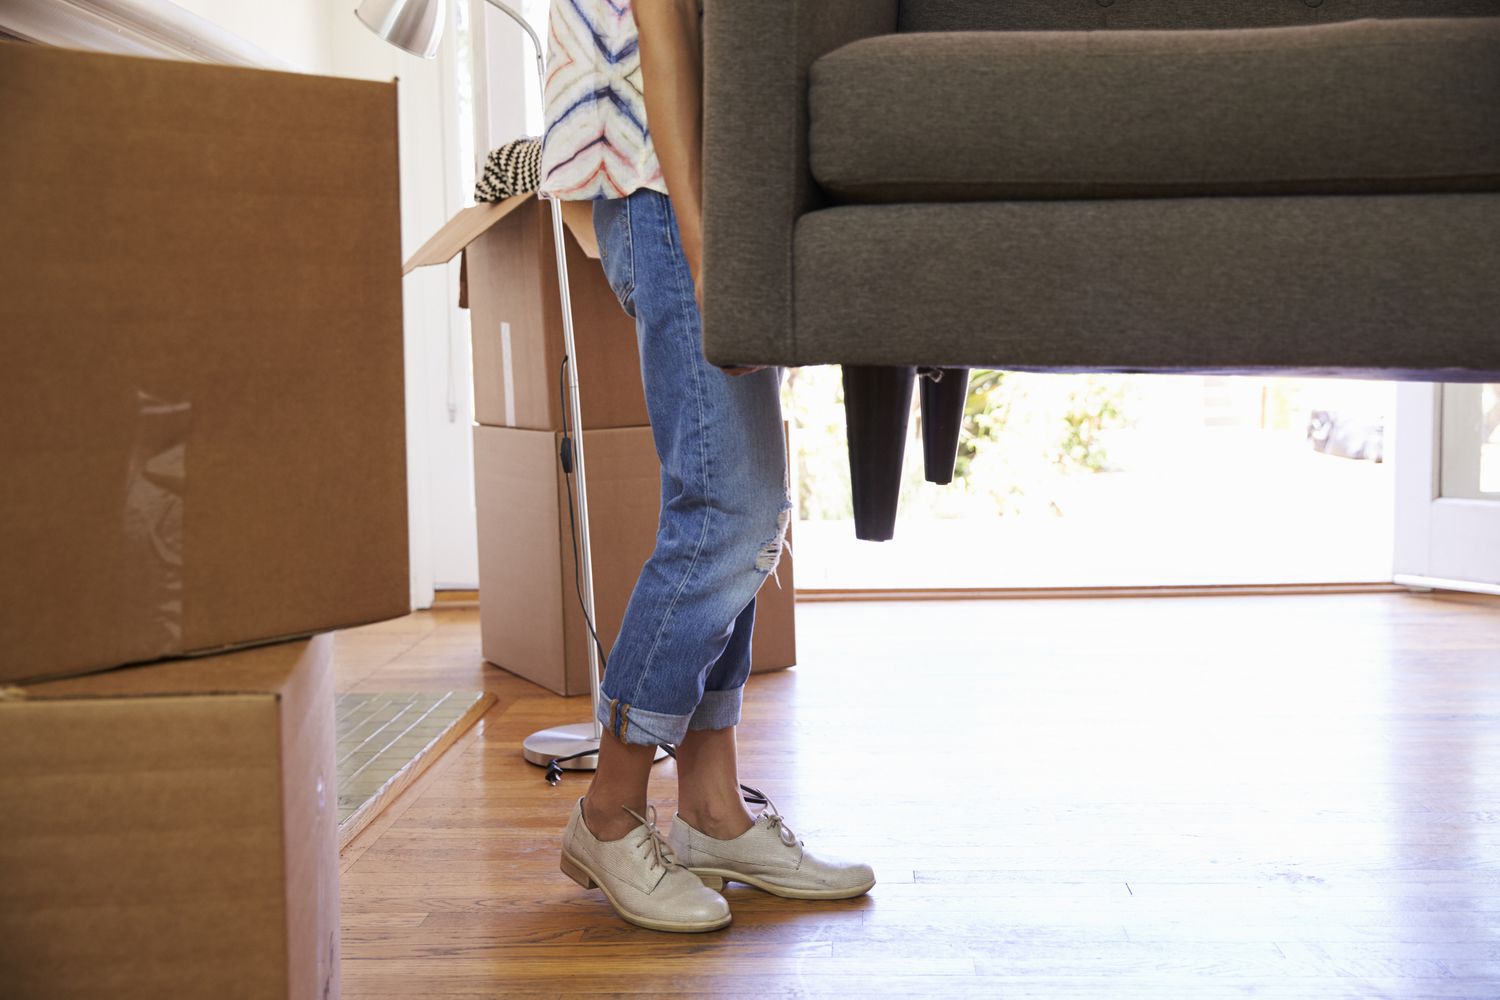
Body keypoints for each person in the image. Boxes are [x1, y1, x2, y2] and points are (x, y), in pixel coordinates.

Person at [537, 0, 875, 933]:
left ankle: (714, 812)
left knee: (736, 503)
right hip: (660, 180)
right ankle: (607, 813)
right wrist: (702, 239)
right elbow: (664, 24)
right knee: (730, 508)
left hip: (691, 180)